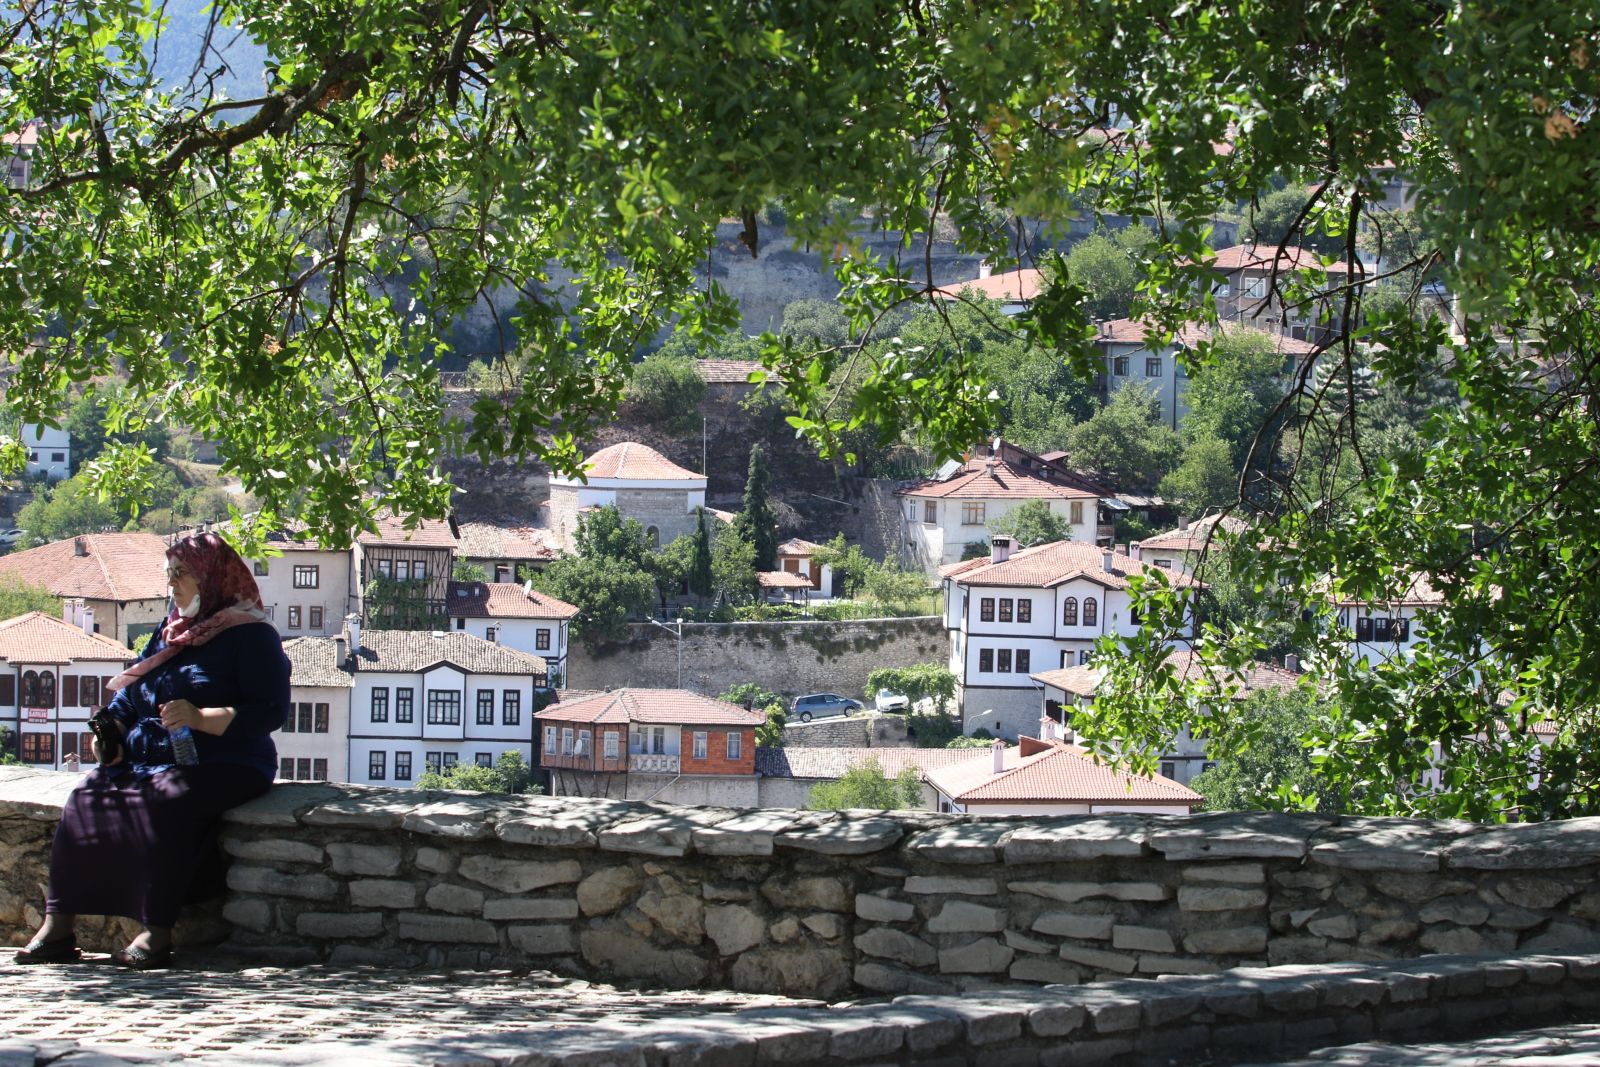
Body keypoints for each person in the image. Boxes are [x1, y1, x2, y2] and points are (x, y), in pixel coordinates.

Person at [15, 532, 289, 969]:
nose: (173, 584)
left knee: (167, 805)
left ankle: (157, 931)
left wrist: (200, 717)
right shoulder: (170, 633)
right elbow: (130, 695)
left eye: (182, 574)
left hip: (226, 759)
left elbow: (269, 712)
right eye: (170, 574)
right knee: (85, 798)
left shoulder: (251, 636)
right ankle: (58, 927)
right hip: (152, 759)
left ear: (210, 577)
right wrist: (111, 730)